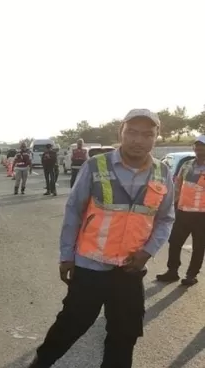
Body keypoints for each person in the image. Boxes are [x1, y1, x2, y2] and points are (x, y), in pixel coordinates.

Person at [28, 109, 175, 368]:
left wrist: (148, 252)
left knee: (125, 334)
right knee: (70, 326)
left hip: (130, 269)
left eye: (147, 134)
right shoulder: (96, 165)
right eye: (132, 132)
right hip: (90, 267)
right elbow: (74, 210)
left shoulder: (162, 172)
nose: (138, 140)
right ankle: (40, 363)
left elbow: (165, 218)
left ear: (156, 137)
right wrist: (66, 256)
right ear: (121, 131)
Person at [156, 135, 205, 286]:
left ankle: (191, 275)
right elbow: (177, 186)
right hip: (183, 212)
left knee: (199, 246)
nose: (198, 149)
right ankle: (172, 272)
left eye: (202, 146)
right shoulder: (187, 165)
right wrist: (171, 205)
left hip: (202, 215)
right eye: (196, 146)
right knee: (174, 242)